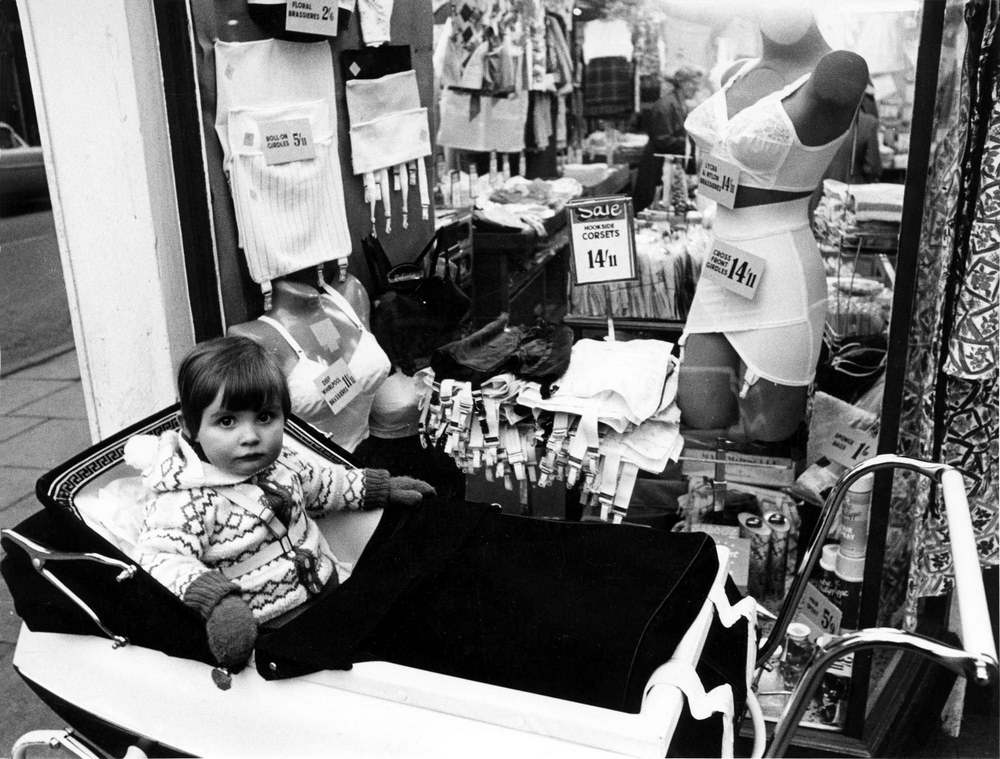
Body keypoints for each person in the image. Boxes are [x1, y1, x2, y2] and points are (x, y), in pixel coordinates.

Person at [126, 336, 435, 670]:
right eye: (227, 421)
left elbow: (323, 484)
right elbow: (160, 560)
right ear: (191, 428)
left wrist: (378, 487)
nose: (250, 436)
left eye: (264, 417)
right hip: (271, 631)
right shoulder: (185, 498)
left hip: (329, 592)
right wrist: (217, 601)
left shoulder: (282, 462)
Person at [677, 10, 869, 442]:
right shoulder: (736, 72)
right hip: (723, 268)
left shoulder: (838, 72)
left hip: (780, 275)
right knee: (699, 418)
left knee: (767, 436)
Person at [228, 276, 391, 453]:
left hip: (371, 448)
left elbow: (337, 360)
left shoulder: (348, 297)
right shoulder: (253, 338)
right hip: (317, 468)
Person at [631, 65, 703, 212]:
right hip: (656, 167)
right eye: (693, 83)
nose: (696, 88)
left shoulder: (678, 103)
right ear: (682, 83)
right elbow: (663, 140)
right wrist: (694, 144)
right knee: (652, 208)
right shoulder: (665, 105)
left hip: (667, 165)